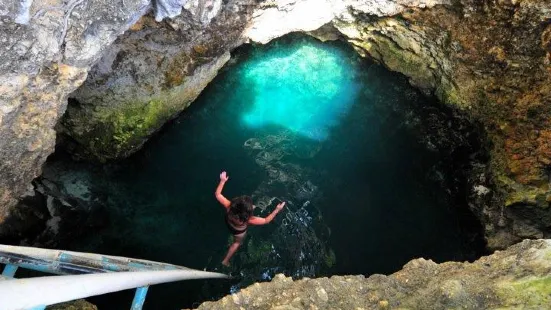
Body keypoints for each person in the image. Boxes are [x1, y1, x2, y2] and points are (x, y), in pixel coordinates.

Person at [215, 171, 285, 266]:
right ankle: (225, 260)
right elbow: (266, 220)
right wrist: (277, 209)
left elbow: (218, 194)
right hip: (238, 232)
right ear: (248, 213)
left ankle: (225, 260)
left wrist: (222, 181)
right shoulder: (249, 219)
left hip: (229, 222)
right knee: (236, 243)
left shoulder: (229, 206)